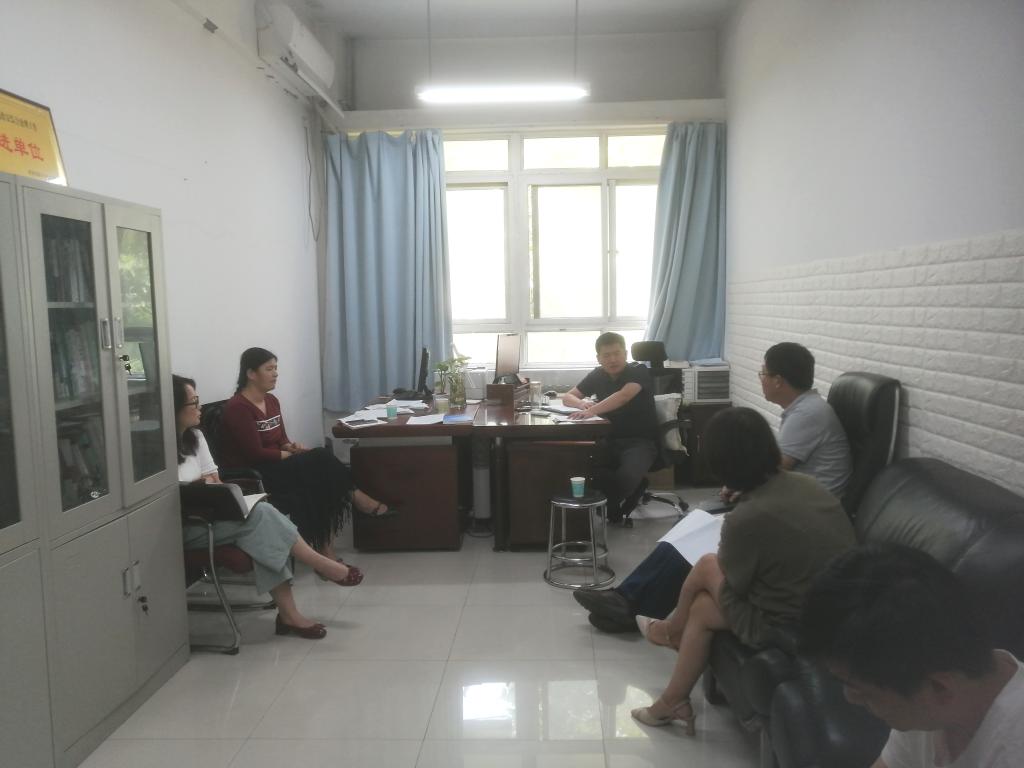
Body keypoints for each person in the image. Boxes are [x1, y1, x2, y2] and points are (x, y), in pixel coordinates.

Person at [575, 340, 853, 632]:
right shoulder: (804, 409)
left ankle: (631, 604)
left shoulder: (807, 414)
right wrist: (739, 486)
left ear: (778, 381)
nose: (761, 379)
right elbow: (774, 472)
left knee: (697, 536)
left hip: (800, 517)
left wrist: (741, 486)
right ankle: (627, 599)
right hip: (787, 503)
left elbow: (776, 468)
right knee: (691, 525)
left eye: (763, 373)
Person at [629, 407, 855, 734]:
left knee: (707, 567)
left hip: (786, 624)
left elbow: (737, 585)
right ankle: (672, 700)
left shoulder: (747, 519)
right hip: (835, 614)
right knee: (702, 608)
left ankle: (670, 633)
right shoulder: (808, 484)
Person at [176, 375, 363, 641]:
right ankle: (318, 566)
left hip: (216, 514)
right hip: (189, 525)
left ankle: (290, 614)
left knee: (267, 521)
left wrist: (206, 487)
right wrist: (201, 487)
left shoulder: (195, 437)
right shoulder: (154, 451)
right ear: (172, 408)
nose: (200, 408)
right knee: (265, 517)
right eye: (193, 402)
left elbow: (215, 480)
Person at [800, 545, 1024, 767]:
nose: (851, 697)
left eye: (866, 693)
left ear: (939, 688)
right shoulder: (933, 698)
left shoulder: (1013, 749)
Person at [218, 347, 396, 559]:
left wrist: (290, 447)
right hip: (257, 474)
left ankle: (325, 547)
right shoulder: (238, 408)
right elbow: (254, 453)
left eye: (276, 368)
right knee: (321, 458)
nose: (275, 373)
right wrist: (290, 456)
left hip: (277, 464)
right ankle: (356, 499)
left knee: (321, 476)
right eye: (269, 369)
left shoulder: (271, 401)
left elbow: (281, 439)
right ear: (251, 373)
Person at [562, 332, 659, 523]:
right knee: (582, 467)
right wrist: (581, 404)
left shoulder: (638, 371)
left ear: (625, 354)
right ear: (599, 358)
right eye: (606, 355)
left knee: (626, 477)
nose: (613, 359)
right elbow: (568, 397)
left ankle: (615, 501)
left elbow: (623, 396)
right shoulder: (597, 374)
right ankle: (614, 504)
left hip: (640, 441)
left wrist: (591, 410)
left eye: (617, 353)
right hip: (609, 439)